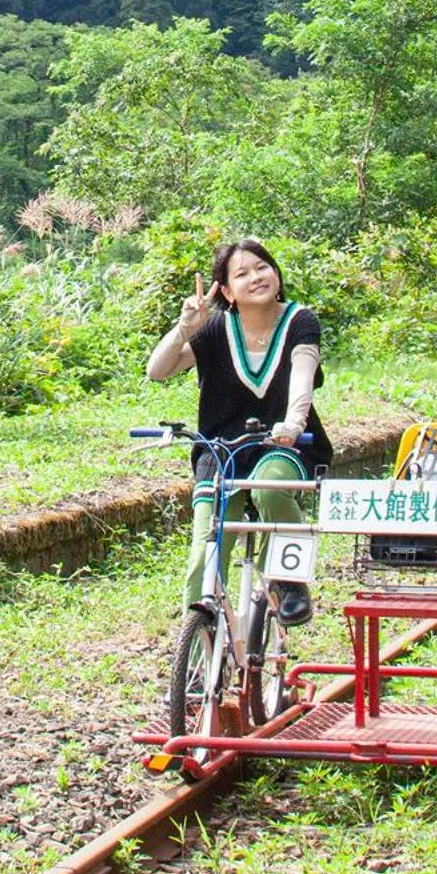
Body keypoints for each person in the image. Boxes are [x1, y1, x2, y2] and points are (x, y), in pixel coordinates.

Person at [147, 238, 332, 626]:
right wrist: (184, 329)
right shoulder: (216, 327)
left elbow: (302, 377)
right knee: (204, 553)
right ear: (227, 291)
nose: (256, 277)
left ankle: (288, 580)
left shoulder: (301, 321)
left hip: (284, 445)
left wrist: (293, 424)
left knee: (270, 488)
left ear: (276, 274)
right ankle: (199, 656)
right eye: (242, 273)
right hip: (221, 449)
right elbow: (158, 370)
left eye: (263, 267)